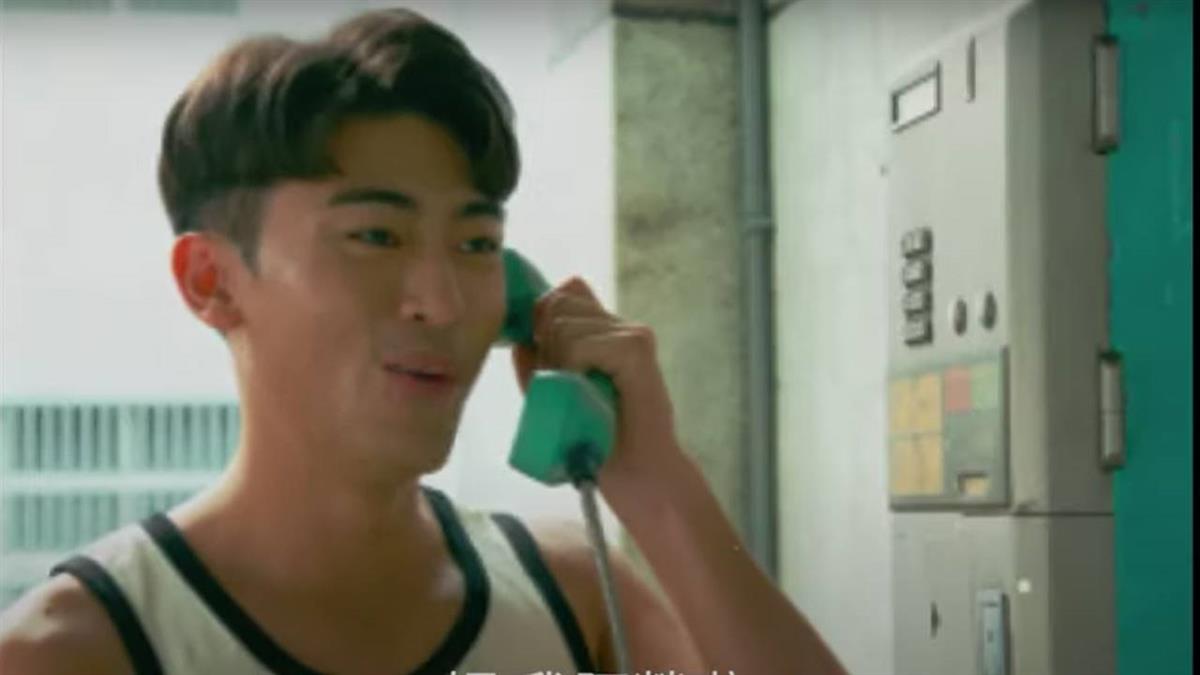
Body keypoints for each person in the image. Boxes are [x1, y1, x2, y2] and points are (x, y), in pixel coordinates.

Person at [0, 8, 846, 675]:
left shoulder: (571, 594)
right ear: (211, 281)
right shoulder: (79, 646)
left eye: (477, 244)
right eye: (376, 235)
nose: (443, 302)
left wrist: (656, 481)